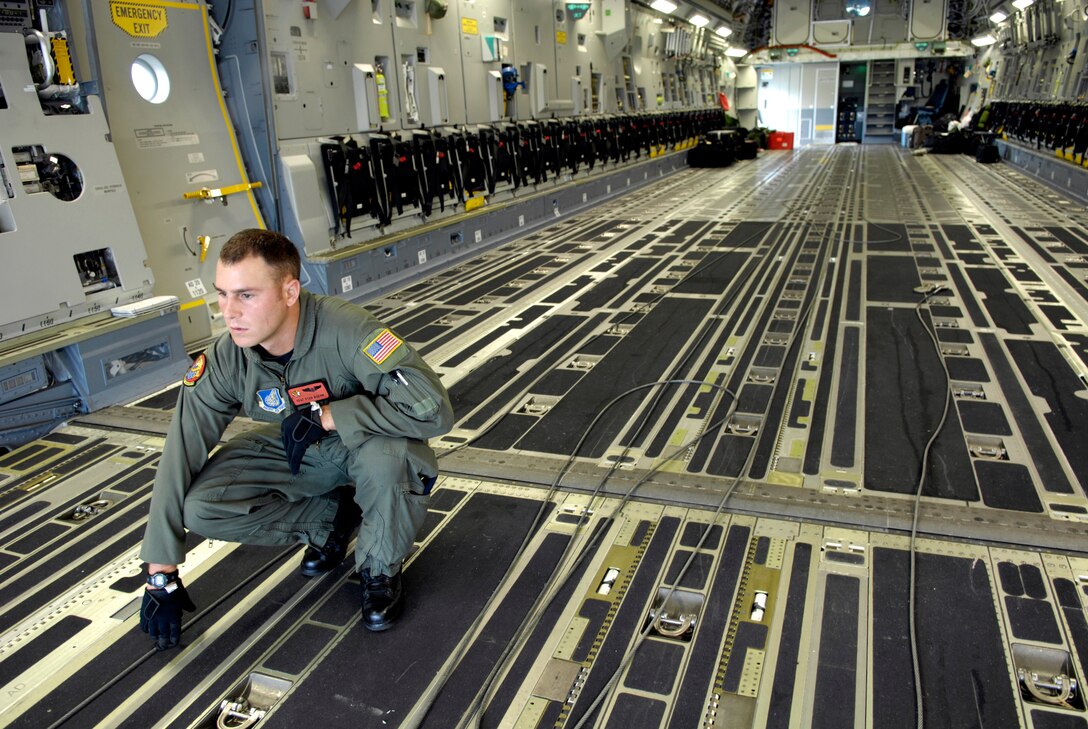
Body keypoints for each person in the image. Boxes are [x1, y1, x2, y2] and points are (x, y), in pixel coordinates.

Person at [138, 228, 453, 649]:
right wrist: (161, 575)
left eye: (246, 295)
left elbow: (433, 411)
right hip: (303, 452)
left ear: (289, 291)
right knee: (201, 505)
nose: (229, 312)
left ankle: (379, 569)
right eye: (222, 295)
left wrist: (332, 416)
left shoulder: (349, 331)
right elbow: (181, 451)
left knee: (388, 459)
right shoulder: (228, 356)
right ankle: (330, 522)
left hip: (368, 443)